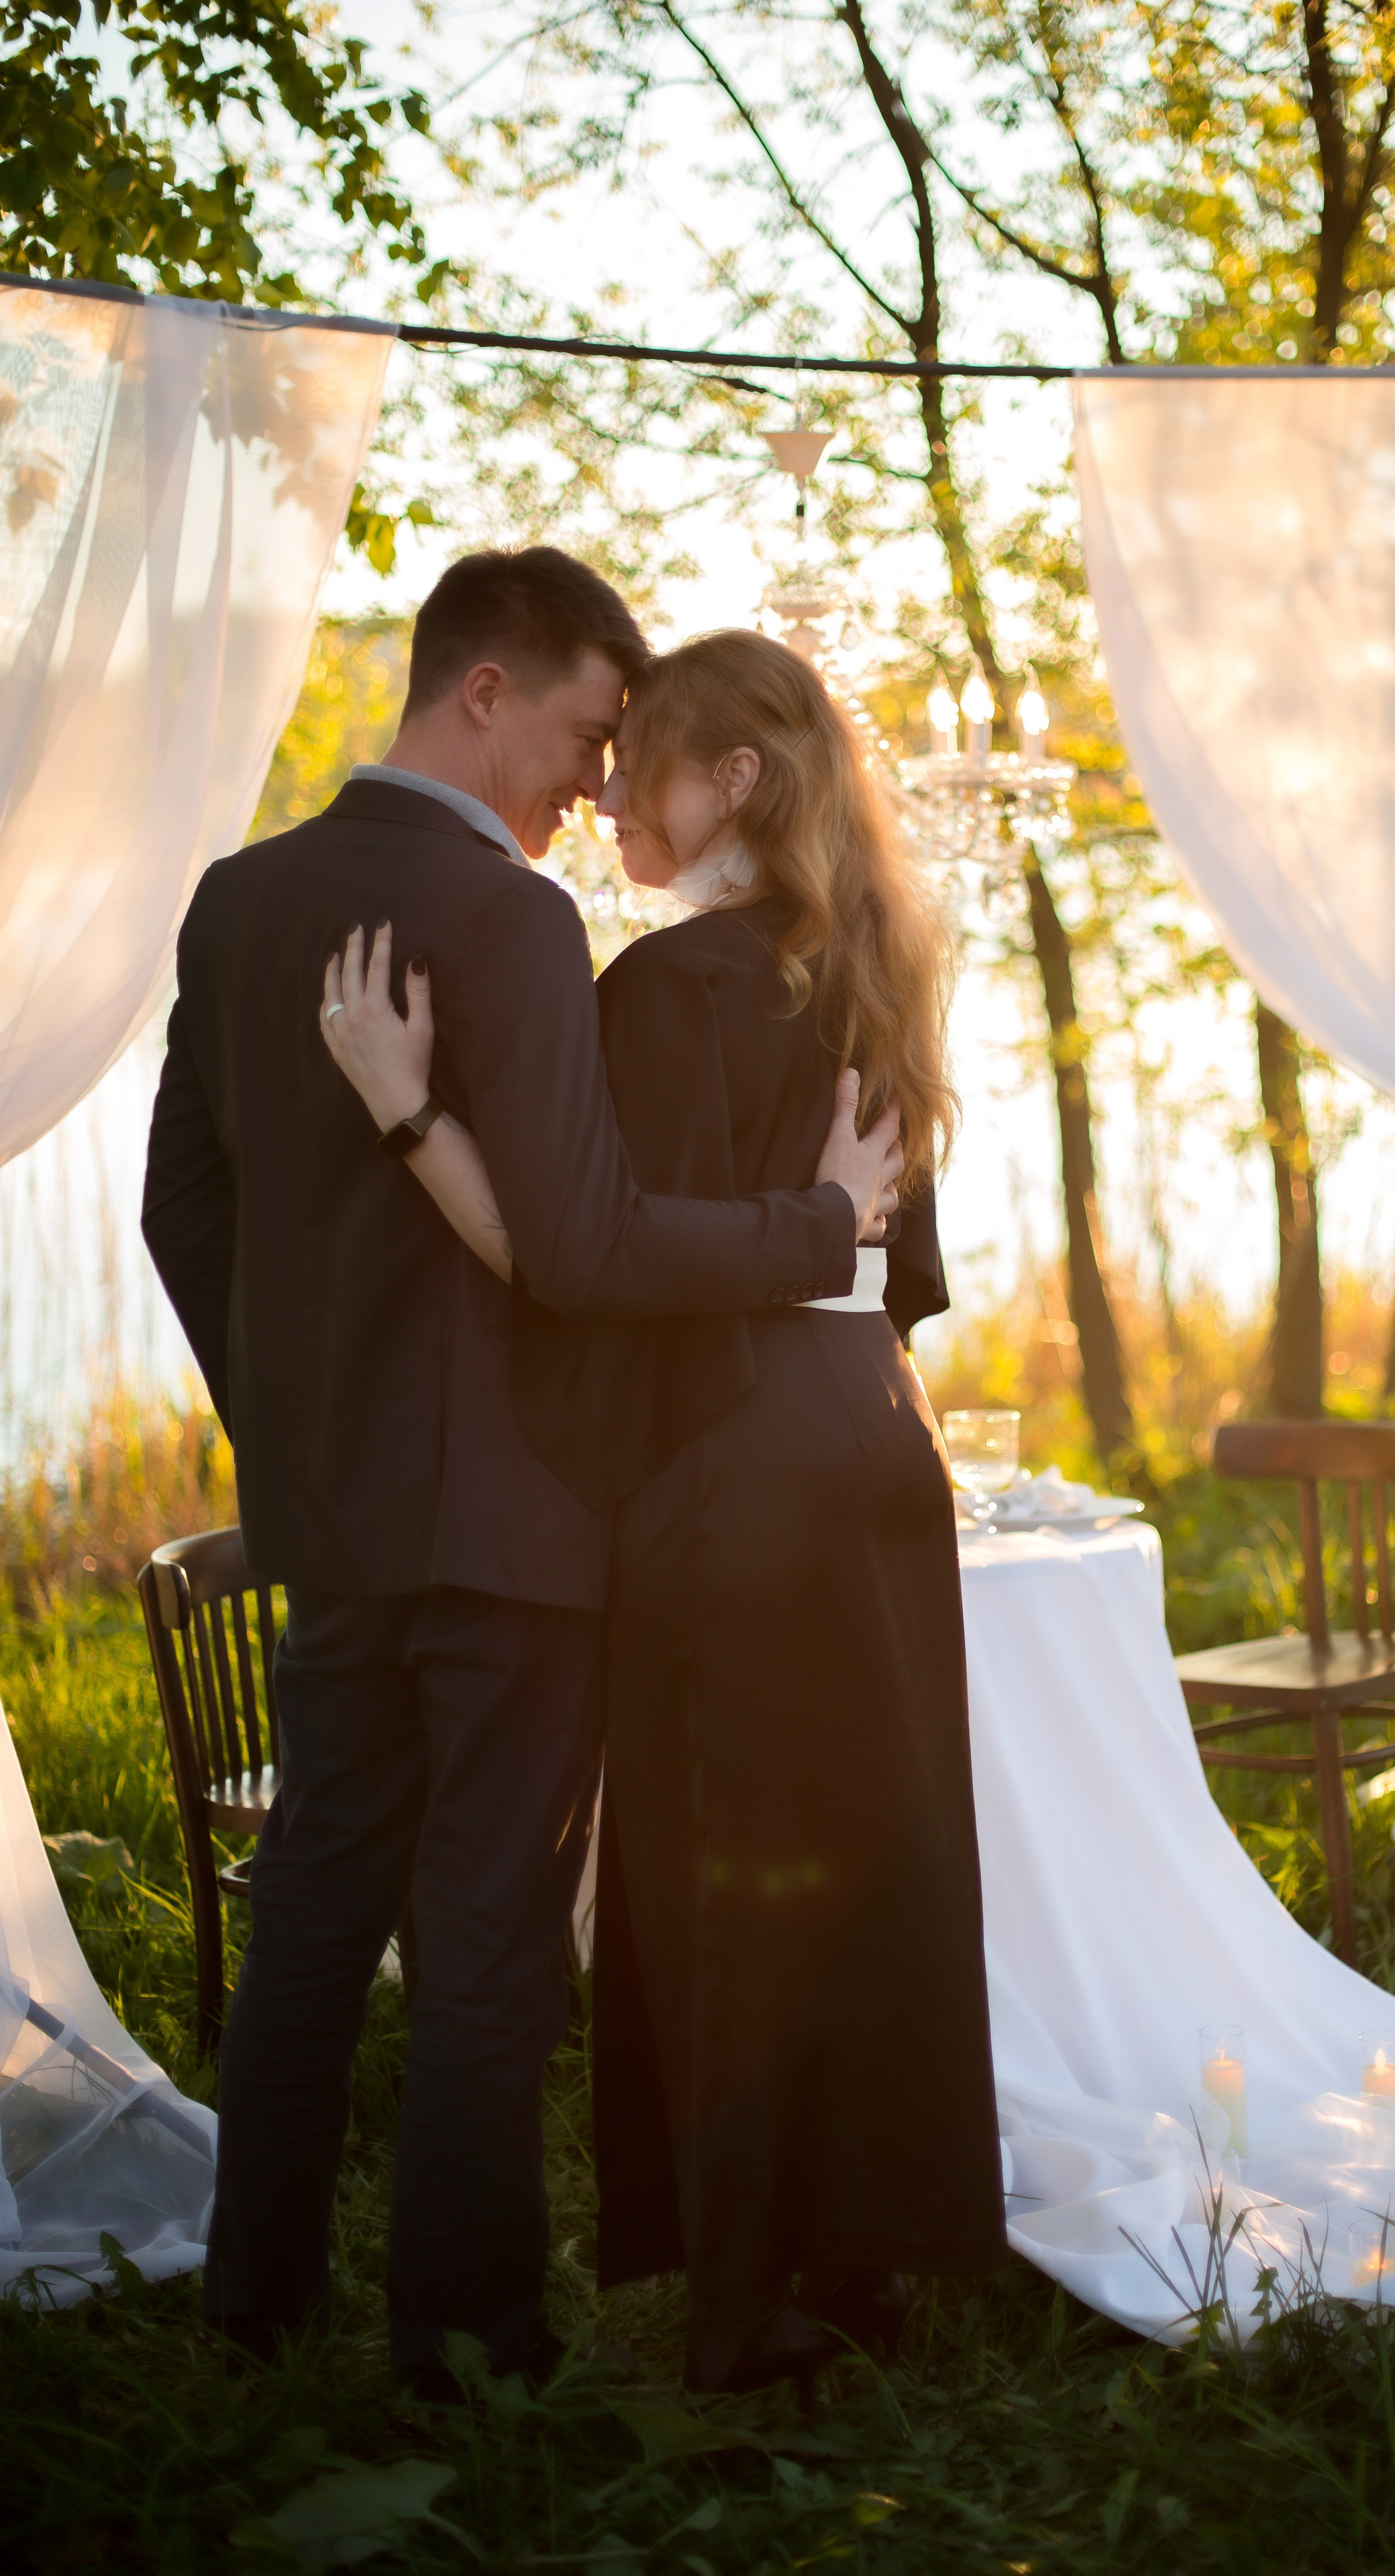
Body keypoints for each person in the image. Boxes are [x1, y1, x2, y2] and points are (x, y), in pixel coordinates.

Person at [141, 550, 902, 2398]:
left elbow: (183, 1211)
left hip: (328, 1517)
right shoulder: (508, 925)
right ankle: (463, 2341)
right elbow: (580, 1244)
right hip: (519, 1520)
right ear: (484, 688)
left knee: (322, 1903)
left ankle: (252, 2308)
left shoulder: (239, 901)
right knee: (482, 1934)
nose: (589, 781)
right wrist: (820, 1227)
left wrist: (296, 1425)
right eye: (579, 732)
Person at [320, 628, 1006, 2398]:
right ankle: (875, 2266)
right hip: (872, 1441)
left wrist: (407, 1116)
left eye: (649, 759)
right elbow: (900, 1272)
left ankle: (748, 2307)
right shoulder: (870, 975)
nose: (612, 787)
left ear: (738, 783)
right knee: (874, 1863)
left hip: (735, 1458)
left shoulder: (655, 989)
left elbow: (582, 1264)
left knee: (722, 1879)